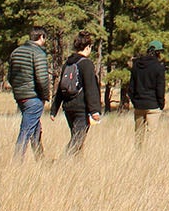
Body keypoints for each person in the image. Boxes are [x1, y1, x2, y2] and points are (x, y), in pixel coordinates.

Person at [7, 28, 51, 160]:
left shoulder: (16, 52)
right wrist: (45, 96)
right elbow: (42, 78)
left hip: (20, 96)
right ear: (41, 37)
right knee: (26, 131)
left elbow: (10, 76)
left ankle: (41, 160)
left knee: (35, 128)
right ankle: (16, 162)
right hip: (33, 97)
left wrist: (18, 90)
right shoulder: (38, 53)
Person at [57, 31, 102, 156]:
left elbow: (60, 87)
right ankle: (63, 161)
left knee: (76, 136)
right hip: (81, 108)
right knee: (78, 139)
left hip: (68, 106)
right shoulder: (86, 64)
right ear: (87, 47)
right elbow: (91, 88)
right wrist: (95, 111)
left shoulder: (68, 63)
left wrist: (54, 109)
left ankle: (76, 168)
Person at [129, 40, 167, 147]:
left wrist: (135, 102)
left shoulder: (136, 66)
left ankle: (138, 157)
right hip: (153, 106)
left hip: (139, 105)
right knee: (152, 136)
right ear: (157, 53)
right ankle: (149, 159)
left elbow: (131, 87)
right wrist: (161, 104)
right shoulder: (158, 68)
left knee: (138, 136)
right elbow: (160, 89)